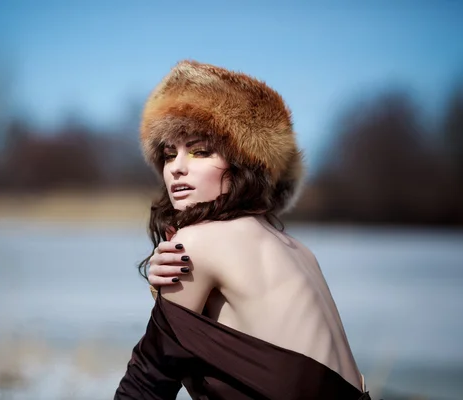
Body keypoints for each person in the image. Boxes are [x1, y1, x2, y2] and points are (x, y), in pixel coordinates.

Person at [114, 60, 370, 400]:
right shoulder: (299, 251)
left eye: (200, 151)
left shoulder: (197, 243)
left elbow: (145, 384)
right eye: (169, 153)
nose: (177, 168)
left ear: (243, 163)